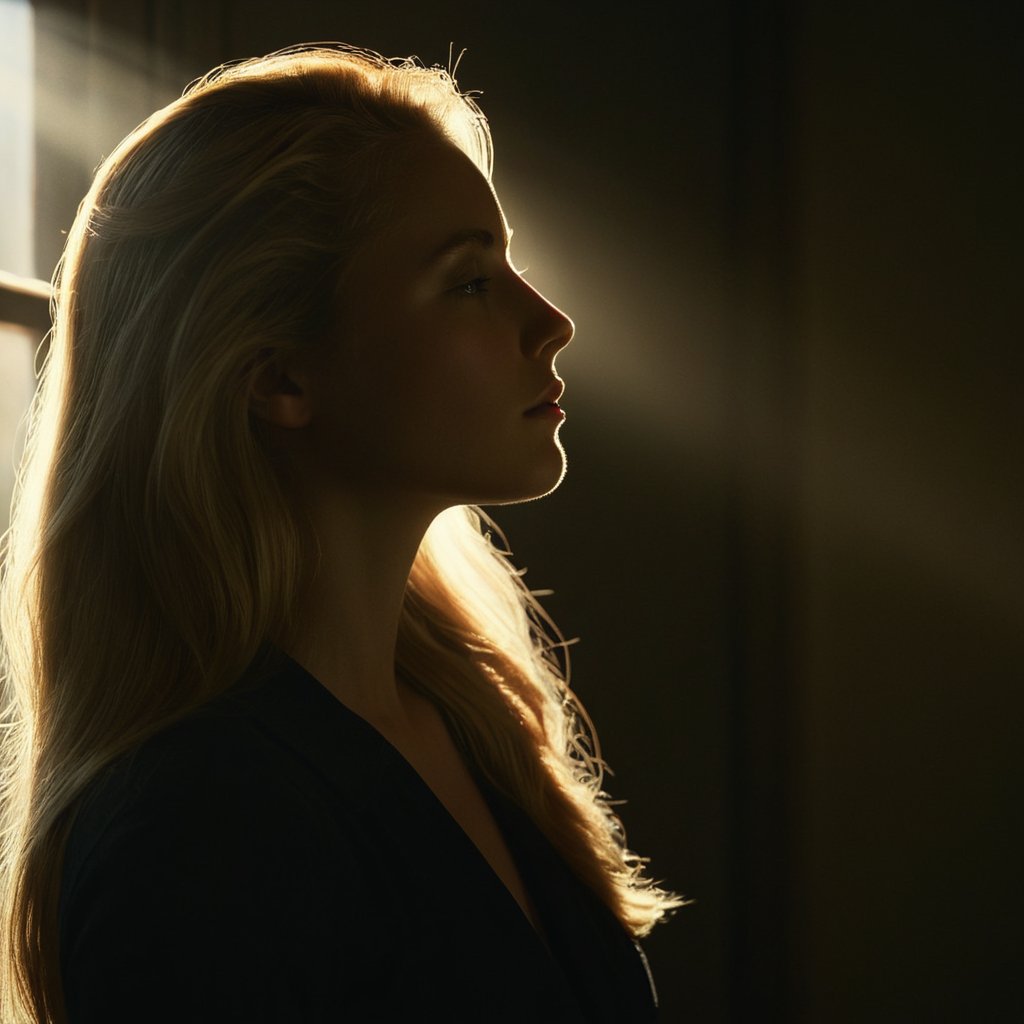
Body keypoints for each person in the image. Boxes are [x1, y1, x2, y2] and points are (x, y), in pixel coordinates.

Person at [0, 45, 681, 1022]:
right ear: (280, 378)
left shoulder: (474, 718)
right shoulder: (196, 833)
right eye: (469, 281)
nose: (551, 322)